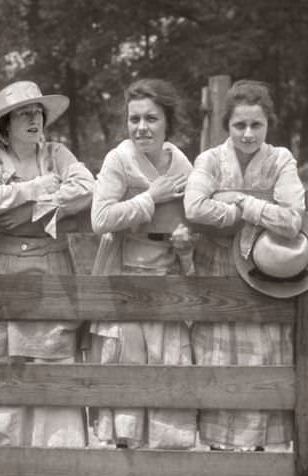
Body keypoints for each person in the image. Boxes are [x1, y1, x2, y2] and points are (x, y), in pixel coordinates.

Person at [0, 80, 94, 447]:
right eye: (23, 113)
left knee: (53, 362)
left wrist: (30, 212)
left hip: (52, 267)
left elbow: (87, 186)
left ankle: (56, 460)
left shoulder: (57, 153)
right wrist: (38, 188)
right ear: (5, 124)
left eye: (37, 112)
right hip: (3, 270)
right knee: (1, 363)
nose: (33, 118)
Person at [184, 79, 304, 451]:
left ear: (268, 125)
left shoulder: (281, 159)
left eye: (257, 125)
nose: (249, 134)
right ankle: (219, 460)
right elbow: (194, 207)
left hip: (265, 276)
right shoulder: (210, 160)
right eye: (240, 125)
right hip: (217, 276)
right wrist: (260, 212)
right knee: (217, 365)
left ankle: (259, 459)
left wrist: (241, 202)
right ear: (228, 126)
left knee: (263, 366)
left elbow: (292, 220)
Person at [90, 78, 197, 449]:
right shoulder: (118, 160)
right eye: (134, 119)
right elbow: (100, 218)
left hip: (167, 290)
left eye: (151, 118)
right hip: (123, 286)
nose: (141, 127)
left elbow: (194, 218)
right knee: (125, 393)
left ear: (168, 122)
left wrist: (184, 243)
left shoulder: (182, 163)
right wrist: (150, 197)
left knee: (169, 388)